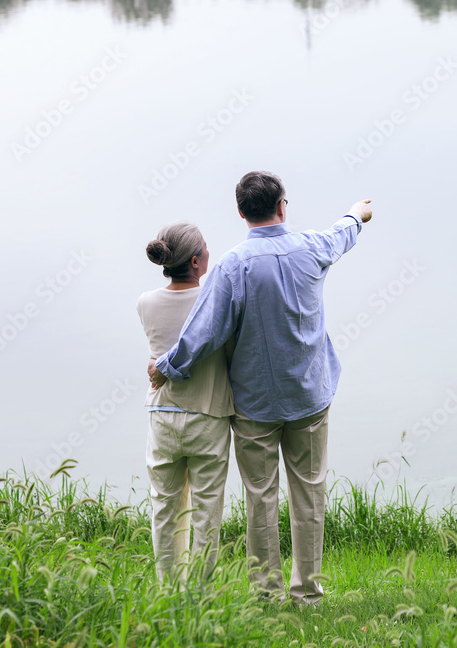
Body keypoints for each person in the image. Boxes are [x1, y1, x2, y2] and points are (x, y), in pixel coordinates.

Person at [148, 171, 372, 605]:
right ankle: (307, 593)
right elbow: (341, 233)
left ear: (240, 211)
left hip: (254, 406)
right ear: (282, 206)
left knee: (260, 499)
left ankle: (267, 594)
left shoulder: (232, 266)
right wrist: (357, 214)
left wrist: (166, 367)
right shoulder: (311, 247)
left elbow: (204, 332)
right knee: (309, 495)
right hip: (310, 397)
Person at [137, 222, 233, 583]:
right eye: (206, 248)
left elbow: (159, 349)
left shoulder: (145, 302)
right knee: (207, 511)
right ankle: (201, 593)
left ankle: (167, 588)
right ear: (195, 262)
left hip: (161, 414)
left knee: (164, 506)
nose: (210, 251)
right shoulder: (215, 302)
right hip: (208, 415)